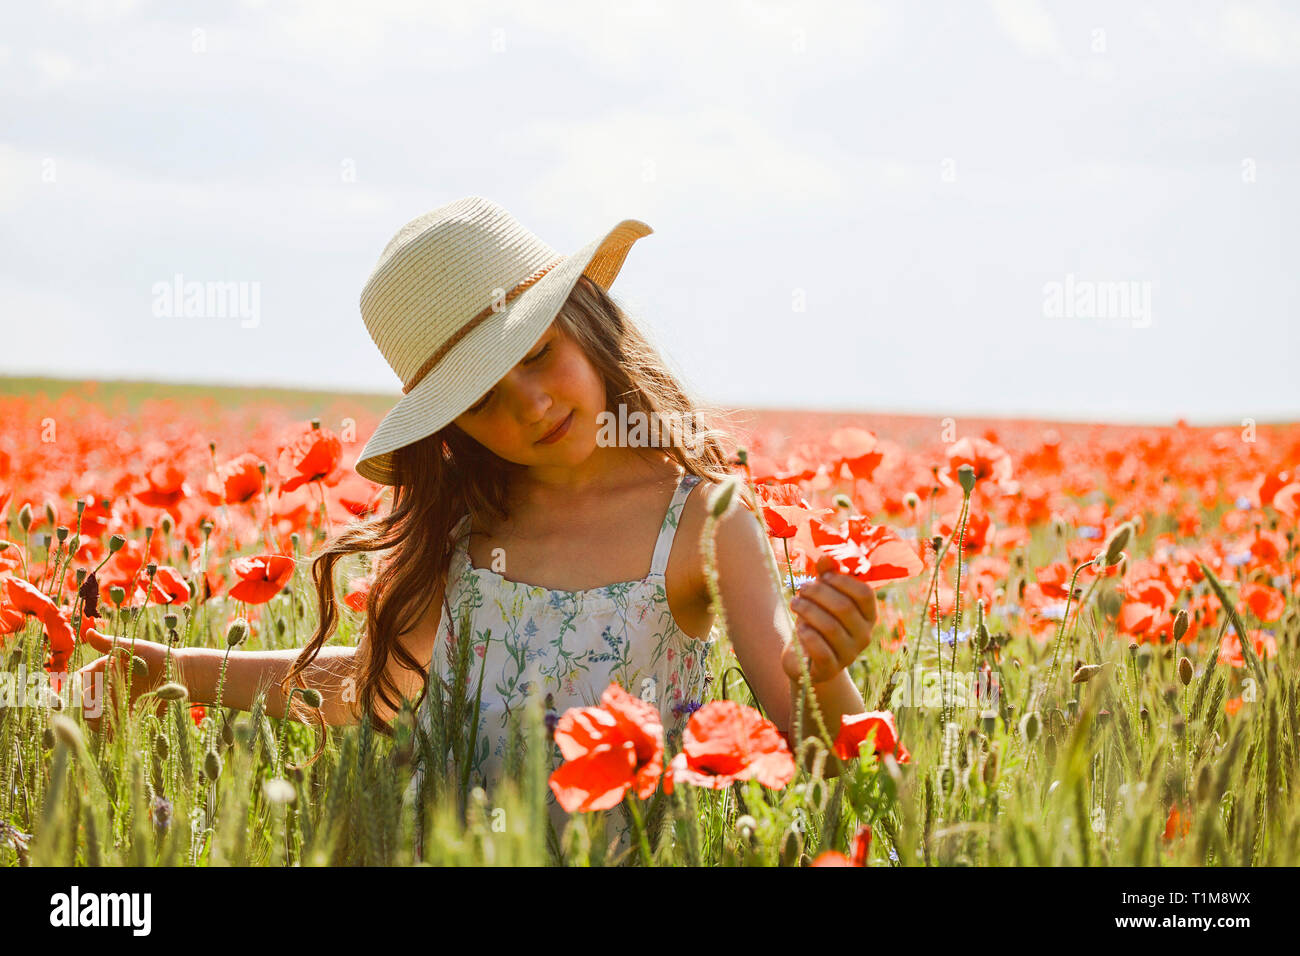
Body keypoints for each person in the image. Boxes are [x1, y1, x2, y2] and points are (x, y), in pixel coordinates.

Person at [75, 196, 875, 855]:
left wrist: (826, 665)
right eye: (482, 396)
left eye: (537, 353)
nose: (531, 404)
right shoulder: (464, 532)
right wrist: (171, 666)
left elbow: (811, 730)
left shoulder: (703, 516)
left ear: (587, 318)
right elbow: (370, 689)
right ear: (450, 426)